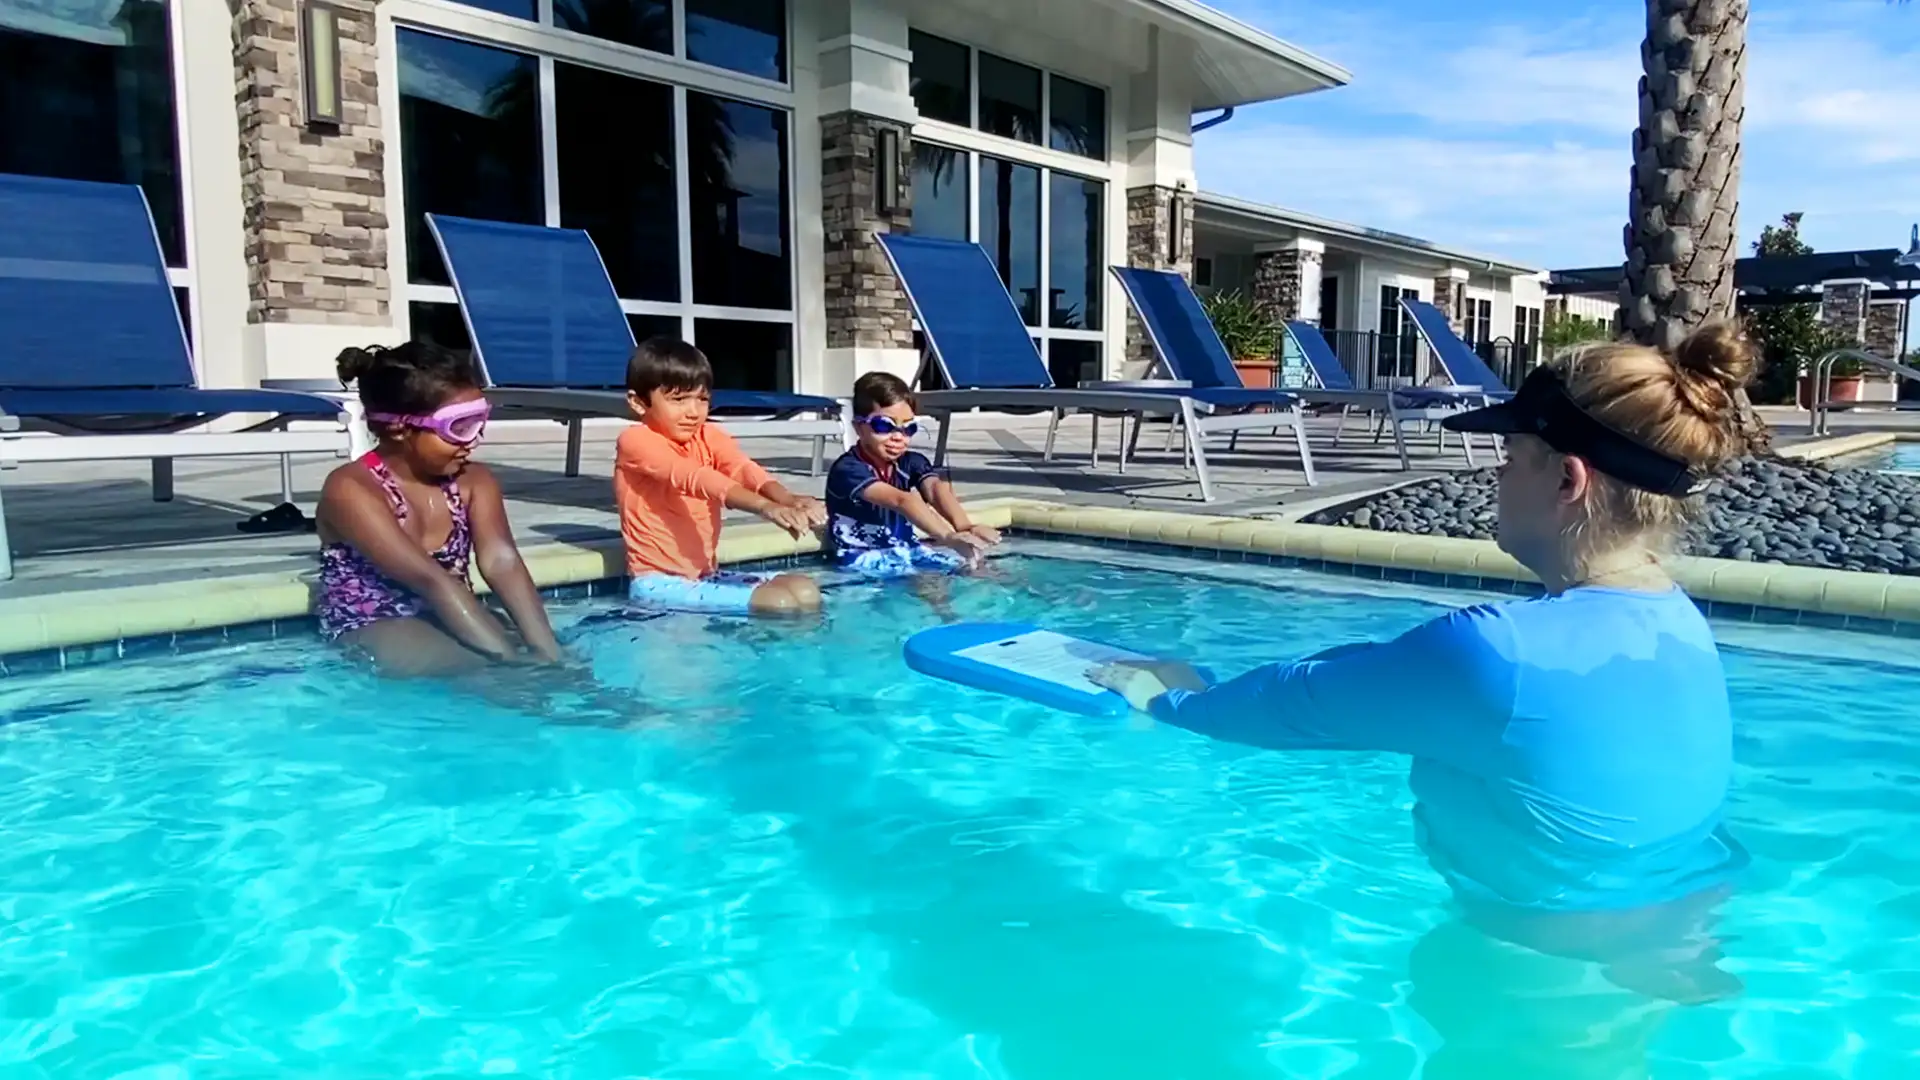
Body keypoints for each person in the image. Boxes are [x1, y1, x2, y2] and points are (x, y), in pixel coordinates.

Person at [1091, 325, 1758, 1033]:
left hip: (1535, 980)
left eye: (1511, 458)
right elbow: (1384, 670)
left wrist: (1169, 699)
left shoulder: (1496, 653)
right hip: (1666, 939)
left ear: (1568, 479)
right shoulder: (1676, 619)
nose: (1497, 478)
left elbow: (1293, 704)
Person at [317, 342, 563, 676]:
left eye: (480, 421)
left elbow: (501, 561)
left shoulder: (474, 481)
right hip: (378, 618)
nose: (474, 440)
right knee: (494, 676)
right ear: (399, 428)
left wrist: (550, 655)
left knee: (562, 668)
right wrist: (515, 665)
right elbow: (430, 580)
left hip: (452, 607)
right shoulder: (350, 489)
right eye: (460, 427)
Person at [617, 337, 826, 616]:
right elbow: (696, 478)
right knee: (779, 603)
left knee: (805, 590)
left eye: (702, 399)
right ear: (639, 403)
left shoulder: (709, 436)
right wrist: (765, 507)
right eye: (678, 400)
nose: (693, 412)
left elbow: (742, 469)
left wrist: (788, 499)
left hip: (705, 576)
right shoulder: (635, 441)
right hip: (658, 583)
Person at [824, 371, 998, 578]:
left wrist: (965, 527)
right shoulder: (848, 469)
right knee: (926, 584)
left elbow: (934, 490)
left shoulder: (911, 461)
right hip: (862, 556)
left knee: (982, 573)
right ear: (859, 428)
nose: (898, 437)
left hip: (907, 549)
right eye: (884, 426)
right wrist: (948, 537)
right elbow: (902, 500)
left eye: (908, 428)